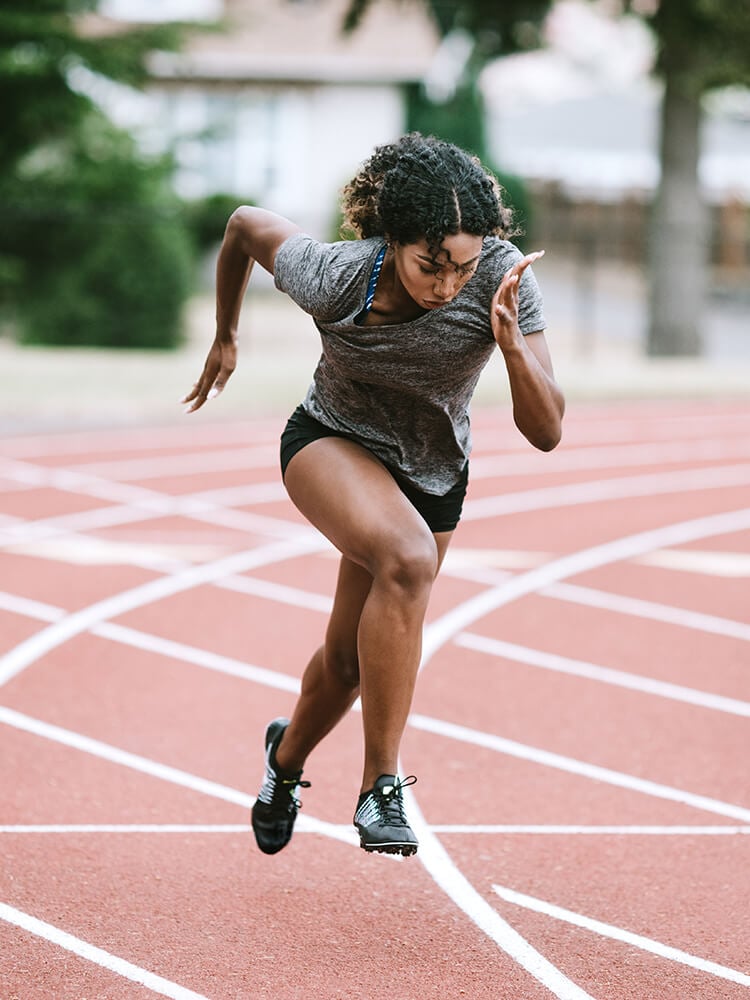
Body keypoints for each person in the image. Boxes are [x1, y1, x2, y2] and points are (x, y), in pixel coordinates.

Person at [183, 132, 564, 858]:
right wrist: (226, 334)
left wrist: (512, 347)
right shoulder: (333, 275)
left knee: (350, 664)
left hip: (431, 473)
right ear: (393, 240)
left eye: (465, 264)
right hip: (331, 440)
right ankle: (380, 787)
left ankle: (283, 763)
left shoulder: (504, 279)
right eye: (432, 264)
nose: (450, 284)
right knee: (409, 560)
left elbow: (546, 432)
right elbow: (241, 225)